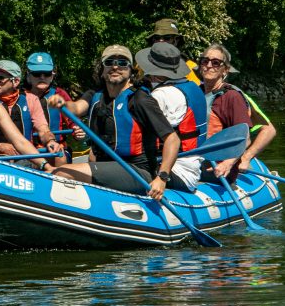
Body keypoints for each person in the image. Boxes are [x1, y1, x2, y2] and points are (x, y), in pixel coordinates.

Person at [46, 45, 183, 199]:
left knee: (62, 172)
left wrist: (162, 178)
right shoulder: (95, 95)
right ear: (102, 70)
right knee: (50, 173)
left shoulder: (139, 100)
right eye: (109, 62)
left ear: (131, 70)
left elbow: (172, 139)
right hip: (108, 166)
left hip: (136, 171)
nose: (115, 66)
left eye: (123, 63)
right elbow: (76, 108)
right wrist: (62, 104)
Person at [134, 41, 206, 192]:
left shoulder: (162, 95)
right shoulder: (194, 86)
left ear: (154, 72)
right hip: (194, 166)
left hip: (177, 171)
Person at [198, 42, 276, 179]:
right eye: (205, 61)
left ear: (225, 70)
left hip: (216, 168)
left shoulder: (233, 96)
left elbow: (252, 135)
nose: (209, 65)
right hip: (194, 162)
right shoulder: (195, 93)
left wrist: (239, 160)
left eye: (216, 63)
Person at [0, 59, 64, 160]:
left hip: (26, 156)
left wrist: (50, 141)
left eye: (0, 78)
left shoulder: (31, 99)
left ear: (15, 81)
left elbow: (42, 129)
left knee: (60, 156)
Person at [23, 51, 84, 166]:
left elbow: (73, 120)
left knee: (59, 156)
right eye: (37, 74)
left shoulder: (59, 94)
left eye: (46, 74)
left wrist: (77, 129)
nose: (42, 77)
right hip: (28, 150)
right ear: (28, 76)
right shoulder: (19, 97)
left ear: (52, 76)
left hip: (57, 148)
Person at [147, 18, 201, 85]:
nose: (161, 41)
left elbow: (194, 92)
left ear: (176, 41)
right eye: (157, 38)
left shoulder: (190, 67)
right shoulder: (143, 65)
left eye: (167, 38)